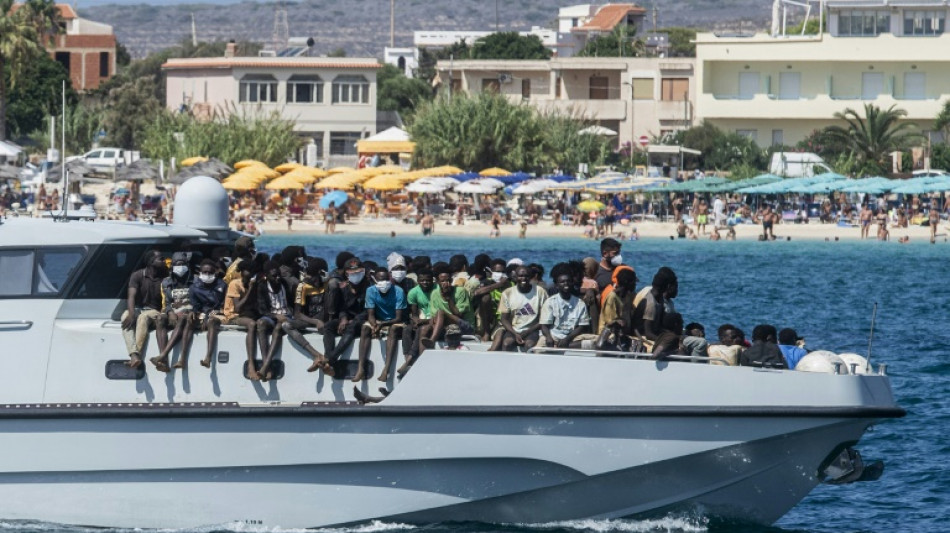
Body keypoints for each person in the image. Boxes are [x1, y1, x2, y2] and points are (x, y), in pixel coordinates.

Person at [281, 260, 334, 376]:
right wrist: (315, 321)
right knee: (286, 325)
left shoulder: (328, 283)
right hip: (310, 319)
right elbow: (297, 314)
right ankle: (316, 355)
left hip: (326, 320)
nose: (311, 280)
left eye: (313, 277)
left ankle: (327, 362)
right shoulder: (302, 286)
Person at [356, 267, 407, 382]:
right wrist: (374, 326)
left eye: (386, 279)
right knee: (365, 328)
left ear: (390, 279)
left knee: (393, 329)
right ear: (375, 280)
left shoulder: (398, 291)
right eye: (380, 279)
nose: (383, 282)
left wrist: (382, 324)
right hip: (379, 320)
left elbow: (398, 317)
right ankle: (360, 368)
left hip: (395, 321)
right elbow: (370, 314)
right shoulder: (370, 291)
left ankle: (386, 369)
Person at [121, 250, 169, 369]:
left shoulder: (165, 277)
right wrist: (131, 314)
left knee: (143, 318)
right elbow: (131, 296)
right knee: (125, 316)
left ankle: (136, 355)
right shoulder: (138, 275)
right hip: (139, 308)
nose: (164, 261)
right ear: (151, 262)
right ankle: (133, 354)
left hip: (155, 311)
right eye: (161, 259)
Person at [150, 252, 197, 372]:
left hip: (189, 314)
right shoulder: (166, 282)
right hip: (173, 313)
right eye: (177, 264)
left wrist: (191, 310)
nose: (180, 267)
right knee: (160, 319)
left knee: (183, 318)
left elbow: (200, 300)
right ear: (172, 266)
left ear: (187, 265)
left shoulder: (196, 280)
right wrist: (170, 312)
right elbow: (166, 302)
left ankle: (162, 355)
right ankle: (164, 362)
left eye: (182, 264)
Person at [323, 257, 370, 369]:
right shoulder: (343, 287)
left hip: (363, 320)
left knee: (352, 327)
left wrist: (354, 320)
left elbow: (368, 310)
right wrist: (343, 318)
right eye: (352, 273)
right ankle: (328, 355)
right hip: (347, 318)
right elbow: (342, 307)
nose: (356, 275)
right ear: (346, 274)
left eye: (358, 272)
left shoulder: (369, 287)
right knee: (328, 326)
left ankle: (330, 360)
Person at [491, 266, 548, 352]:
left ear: (530, 277)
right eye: (520, 276)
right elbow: (504, 319)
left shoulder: (540, 292)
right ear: (515, 277)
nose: (523, 278)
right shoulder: (507, 293)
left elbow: (544, 318)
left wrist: (527, 332)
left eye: (526, 276)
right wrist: (515, 334)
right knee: (506, 344)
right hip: (514, 329)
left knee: (529, 345)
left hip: (533, 329)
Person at [223, 260, 262, 379]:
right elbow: (237, 308)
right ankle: (251, 364)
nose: (250, 273)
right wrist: (250, 290)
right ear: (241, 271)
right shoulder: (235, 284)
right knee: (251, 324)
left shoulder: (254, 284)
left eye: (252, 271)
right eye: (247, 271)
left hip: (248, 313)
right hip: (233, 315)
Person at [539, 264, 593, 349]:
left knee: (594, 342)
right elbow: (544, 325)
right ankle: (560, 346)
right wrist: (548, 337)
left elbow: (582, 326)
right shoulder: (550, 302)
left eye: (568, 281)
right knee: (538, 348)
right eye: (562, 282)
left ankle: (561, 346)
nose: (566, 284)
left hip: (572, 337)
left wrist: (567, 339)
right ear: (556, 285)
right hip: (553, 335)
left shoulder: (580, 303)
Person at [256, 260, 294, 381]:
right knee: (261, 324)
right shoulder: (262, 286)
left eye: (278, 275)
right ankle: (266, 365)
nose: (277, 278)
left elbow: (291, 303)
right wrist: (275, 316)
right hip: (271, 315)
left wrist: (287, 315)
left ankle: (265, 367)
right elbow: (262, 310)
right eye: (274, 276)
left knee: (279, 327)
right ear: (267, 276)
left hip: (286, 314)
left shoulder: (284, 284)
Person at [423, 268, 477, 352]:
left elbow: (459, 315)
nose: (446, 283)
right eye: (443, 281)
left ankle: (432, 340)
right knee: (423, 329)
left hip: (464, 326)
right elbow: (434, 316)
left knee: (441, 312)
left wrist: (448, 299)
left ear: (451, 280)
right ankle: (418, 356)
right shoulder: (434, 293)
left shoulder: (460, 291)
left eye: (448, 280)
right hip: (445, 326)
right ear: (437, 282)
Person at [187, 259, 228, 369]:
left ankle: (208, 357)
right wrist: (196, 313)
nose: (207, 275)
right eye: (205, 272)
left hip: (219, 313)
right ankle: (182, 358)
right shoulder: (194, 287)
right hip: (203, 313)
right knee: (188, 321)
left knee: (211, 321)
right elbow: (195, 306)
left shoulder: (223, 285)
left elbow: (225, 305)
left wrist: (210, 315)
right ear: (200, 273)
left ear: (215, 272)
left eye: (210, 272)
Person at [399, 268, 434, 377]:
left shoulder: (437, 290)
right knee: (407, 329)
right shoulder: (413, 292)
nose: (425, 282)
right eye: (422, 280)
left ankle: (408, 361)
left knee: (420, 330)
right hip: (422, 318)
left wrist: (424, 321)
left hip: (433, 320)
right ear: (418, 281)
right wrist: (415, 321)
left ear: (432, 280)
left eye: (428, 280)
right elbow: (414, 314)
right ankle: (408, 361)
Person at [632, 267, 677, 342]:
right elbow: (648, 333)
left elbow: (659, 325)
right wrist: (664, 340)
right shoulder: (650, 304)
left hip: (653, 333)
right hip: (642, 336)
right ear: (668, 286)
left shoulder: (660, 299)